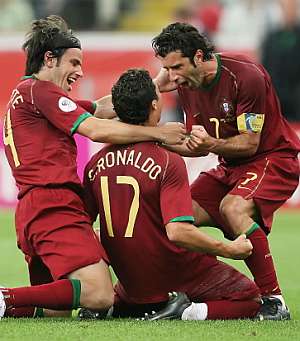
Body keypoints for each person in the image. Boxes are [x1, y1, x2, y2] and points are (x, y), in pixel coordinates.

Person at [0, 16, 185, 319]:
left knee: (54, 311)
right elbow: (98, 129)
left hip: (33, 208)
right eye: (73, 62)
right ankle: (5, 297)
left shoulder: (33, 96)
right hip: (53, 204)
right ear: (49, 58)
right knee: (98, 294)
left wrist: (154, 86)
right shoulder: (40, 91)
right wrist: (158, 133)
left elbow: (101, 108)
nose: (80, 72)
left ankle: (9, 304)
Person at [81, 68, 264, 321]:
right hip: (169, 272)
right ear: (154, 105)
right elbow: (178, 232)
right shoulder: (167, 161)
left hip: (131, 285)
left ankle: (118, 304)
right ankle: (185, 311)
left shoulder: (95, 164)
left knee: (198, 252)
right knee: (250, 298)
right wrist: (229, 248)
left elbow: (82, 228)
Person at [151, 22, 300, 320]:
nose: (173, 76)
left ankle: (275, 301)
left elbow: (249, 143)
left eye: (177, 67)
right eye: (167, 69)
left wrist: (211, 142)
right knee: (177, 219)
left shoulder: (245, 74)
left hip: (273, 159)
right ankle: (205, 289)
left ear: (197, 56)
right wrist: (156, 137)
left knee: (232, 208)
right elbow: (200, 148)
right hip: (229, 166)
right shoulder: (186, 84)